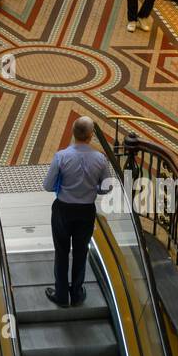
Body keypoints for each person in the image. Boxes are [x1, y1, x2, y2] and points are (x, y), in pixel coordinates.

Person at [42, 116, 111, 307]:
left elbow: (47, 186)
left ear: (73, 133)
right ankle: (77, 293)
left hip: (63, 210)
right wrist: (93, 189)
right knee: (81, 252)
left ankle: (62, 295)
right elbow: (107, 187)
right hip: (86, 211)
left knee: (61, 251)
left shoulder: (61, 156)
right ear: (90, 136)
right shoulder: (100, 159)